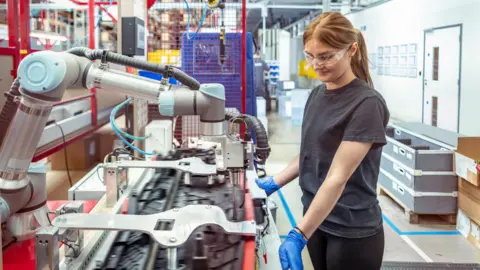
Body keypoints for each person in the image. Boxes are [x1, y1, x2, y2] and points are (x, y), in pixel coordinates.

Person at [255, 12, 390, 270]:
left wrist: (298, 234)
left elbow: (337, 177)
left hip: (351, 229)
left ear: (352, 50)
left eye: (326, 56)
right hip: (317, 219)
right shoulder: (317, 94)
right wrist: (275, 181)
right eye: (310, 55)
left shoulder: (366, 104)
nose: (316, 64)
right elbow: (310, 153)